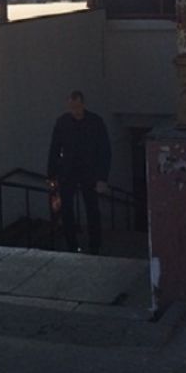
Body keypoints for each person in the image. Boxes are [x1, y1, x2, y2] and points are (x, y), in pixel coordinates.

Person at [47, 90, 111, 255]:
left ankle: (94, 245)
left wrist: (102, 177)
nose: (75, 110)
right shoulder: (63, 122)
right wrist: (51, 174)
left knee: (92, 209)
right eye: (72, 107)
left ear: (83, 104)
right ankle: (73, 245)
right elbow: (54, 148)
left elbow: (105, 151)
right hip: (68, 171)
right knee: (67, 209)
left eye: (77, 106)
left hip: (88, 171)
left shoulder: (95, 122)